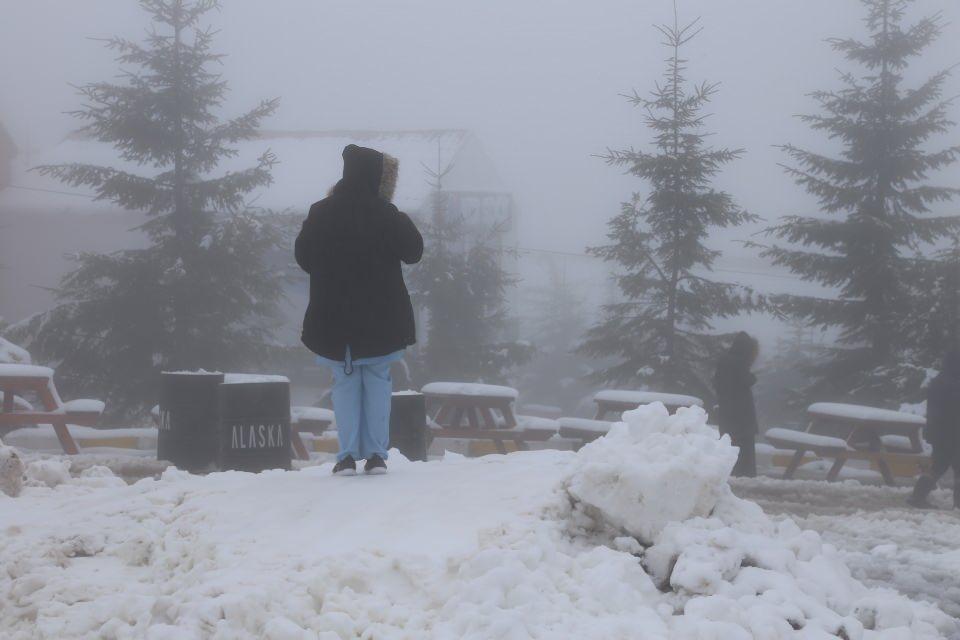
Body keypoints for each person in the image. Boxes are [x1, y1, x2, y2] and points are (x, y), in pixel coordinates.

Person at [295, 144, 423, 476]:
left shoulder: (321, 212)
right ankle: (377, 455)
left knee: (345, 382)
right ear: (376, 177)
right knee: (378, 382)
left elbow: (303, 258)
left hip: (333, 318)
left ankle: (347, 456)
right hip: (381, 319)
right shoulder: (385, 213)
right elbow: (413, 252)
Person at [908, 350, 960, 509]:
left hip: (940, 432)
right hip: (953, 432)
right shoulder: (953, 384)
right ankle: (958, 504)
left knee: (938, 465)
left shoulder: (940, 381)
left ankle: (917, 496)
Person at [714, 331, 760, 477]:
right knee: (744, 446)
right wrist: (753, 377)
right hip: (742, 413)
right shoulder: (740, 362)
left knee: (729, 443)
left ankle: (729, 472)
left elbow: (717, 383)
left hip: (726, 411)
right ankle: (746, 474)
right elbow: (746, 380)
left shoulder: (723, 360)